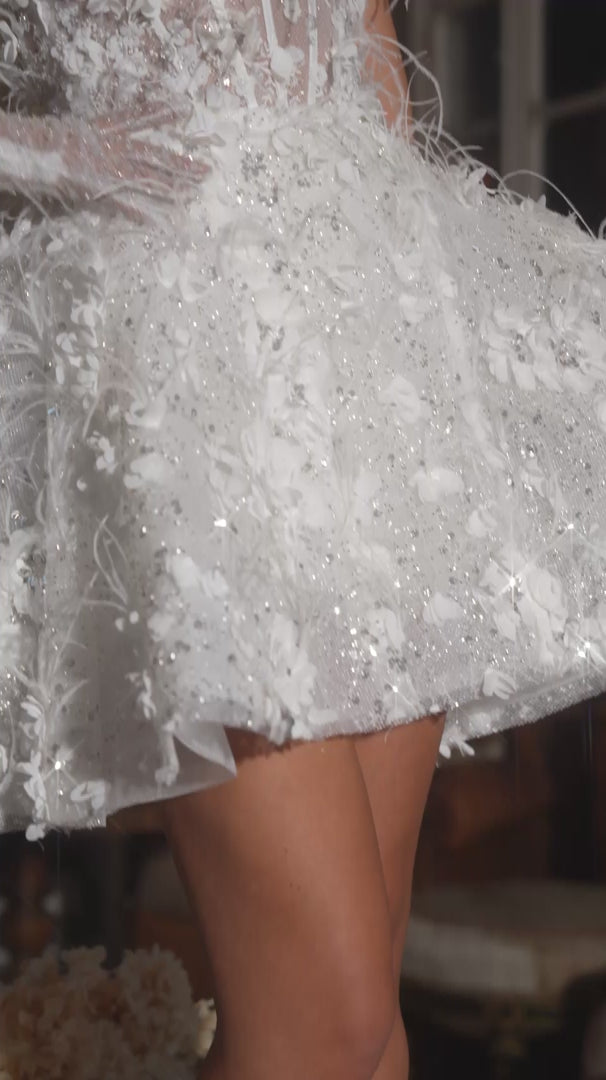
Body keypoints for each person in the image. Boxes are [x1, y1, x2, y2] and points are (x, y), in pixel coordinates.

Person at [0, 2, 605, 1077]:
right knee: (326, 1018)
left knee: (367, 1030)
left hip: (377, 341)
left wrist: (414, 279)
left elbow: (369, 36)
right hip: (179, 357)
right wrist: (62, 154)